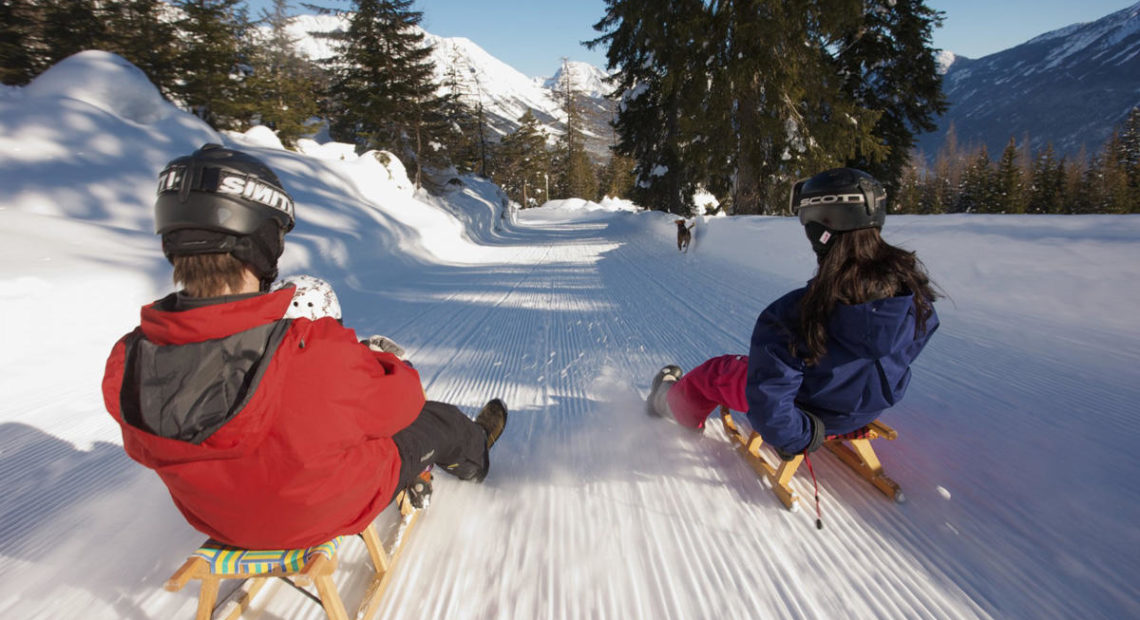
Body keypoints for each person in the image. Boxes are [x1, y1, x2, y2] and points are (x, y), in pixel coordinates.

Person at [102, 144, 507, 550]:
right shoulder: (304, 346)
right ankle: (475, 457)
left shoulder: (131, 359)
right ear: (261, 241)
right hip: (321, 511)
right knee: (436, 421)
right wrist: (381, 361)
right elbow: (403, 403)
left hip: (218, 520)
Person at [647, 167, 939, 460]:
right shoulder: (914, 297)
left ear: (819, 230)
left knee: (716, 373)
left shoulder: (795, 314)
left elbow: (769, 407)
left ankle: (665, 401)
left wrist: (797, 437)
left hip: (807, 418)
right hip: (864, 410)